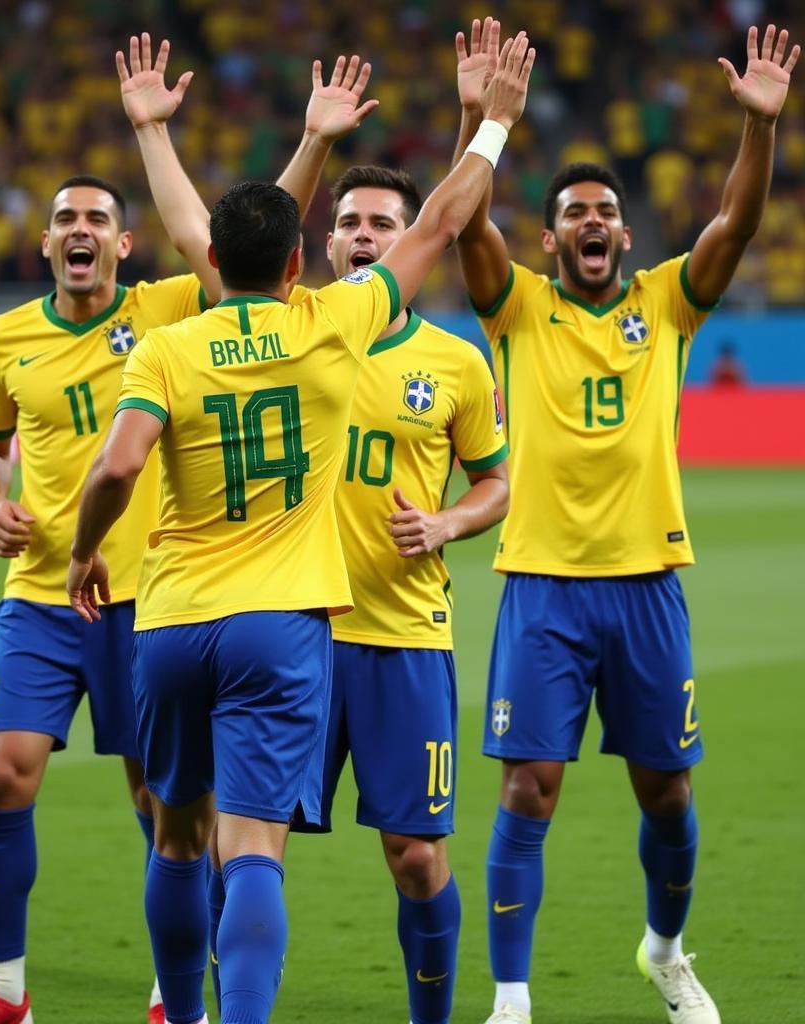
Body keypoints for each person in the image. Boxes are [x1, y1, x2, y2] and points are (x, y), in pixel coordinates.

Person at [66, 33, 535, 1024]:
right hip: (285, 625)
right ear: (303, 256)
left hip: (189, 617)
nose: (365, 237)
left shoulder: (170, 340)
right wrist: (493, 120)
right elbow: (447, 222)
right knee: (251, 852)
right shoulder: (334, 324)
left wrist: (152, 130)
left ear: (215, 269)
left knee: (179, 837)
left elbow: (117, 460)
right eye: (346, 224)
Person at [454, 20, 799, 1024]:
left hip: (648, 586)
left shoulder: (667, 303)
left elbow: (732, 224)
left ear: (624, 233)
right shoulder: (514, 306)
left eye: (605, 210)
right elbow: (465, 223)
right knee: (528, 792)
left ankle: (664, 950)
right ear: (551, 236)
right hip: (543, 590)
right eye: (573, 214)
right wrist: (482, 121)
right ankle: (511, 998)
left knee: (667, 797)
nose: (593, 223)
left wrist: (758, 130)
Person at [0, 42, 222, 1023]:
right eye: (66, 218)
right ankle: (5, 991)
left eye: (98, 218)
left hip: (150, 596)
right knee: (6, 769)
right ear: (48, 243)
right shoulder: (4, 338)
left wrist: (155, 130)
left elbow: (225, 250)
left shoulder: (165, 311)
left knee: (158, 799)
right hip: (41, 593)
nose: (81, 229)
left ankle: (168, 987)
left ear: (123, 245)